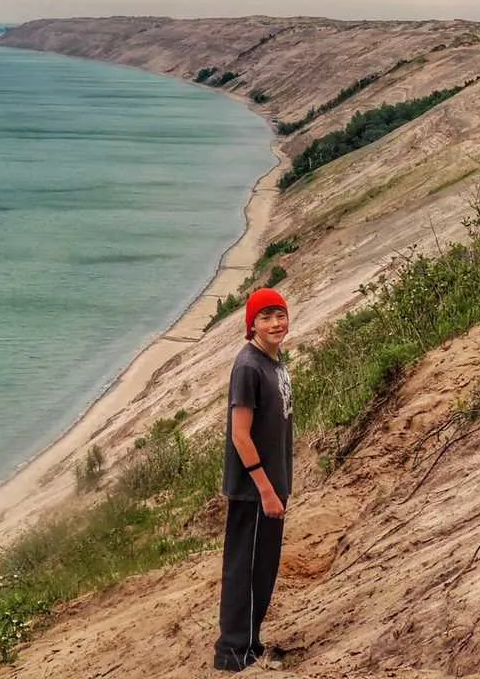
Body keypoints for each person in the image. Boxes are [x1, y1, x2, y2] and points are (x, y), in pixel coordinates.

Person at [214, 287, 294, 672]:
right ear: (251, 324)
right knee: (244, 570)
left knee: (262, 568)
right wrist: (265, 489)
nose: (275, 323)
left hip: (272, 486)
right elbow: (240, 435)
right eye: (265, 317)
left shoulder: (274, 361)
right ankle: (233, 652)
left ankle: (251, 642)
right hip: (253, 491)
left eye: (280, 314)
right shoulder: (248, 367)